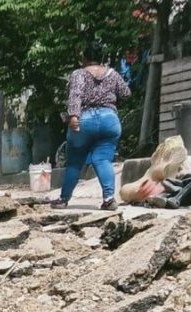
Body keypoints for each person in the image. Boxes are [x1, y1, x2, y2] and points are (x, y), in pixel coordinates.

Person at [53, 43, 132, 210]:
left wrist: (74, 115)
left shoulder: (79, 74)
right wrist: (111, 104)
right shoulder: (113, 74)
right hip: (110, 120)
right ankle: (109, 199)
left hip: (84, 120)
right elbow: (126, 93)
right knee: (103, 159)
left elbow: (75, 94)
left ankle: (63, 200)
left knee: (74, 162)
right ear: (102, 58)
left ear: (84, 58)